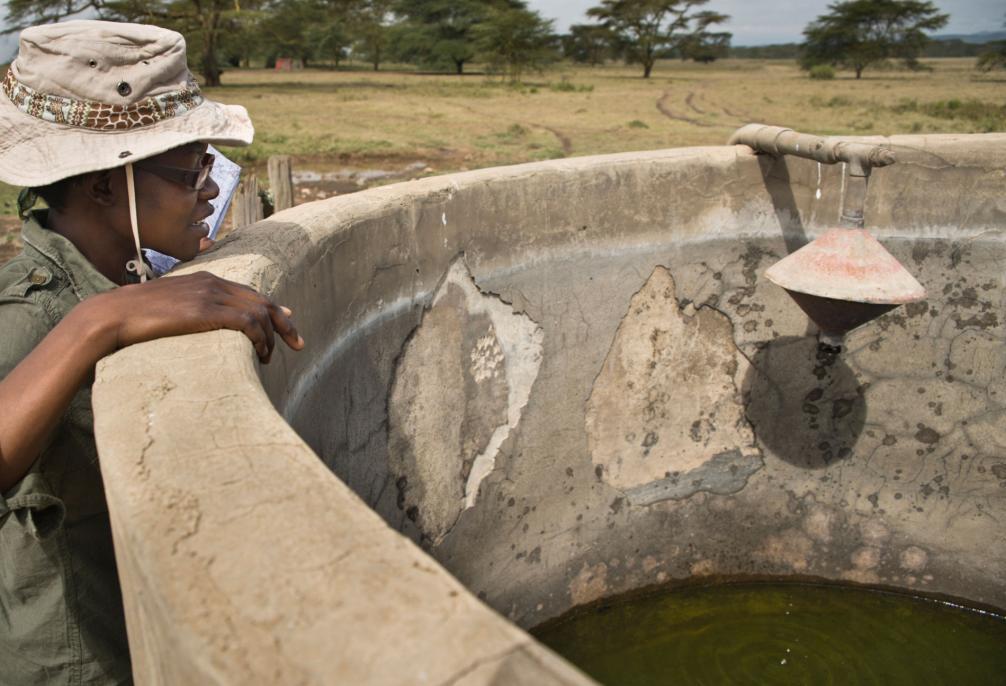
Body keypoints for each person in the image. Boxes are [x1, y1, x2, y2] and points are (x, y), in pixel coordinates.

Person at [0, 21, 303, 684]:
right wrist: (98, 324)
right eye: (191, 168)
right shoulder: (32, 314)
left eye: (212, 165)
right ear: (106, 186)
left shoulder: (136, 276)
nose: (213, 188)